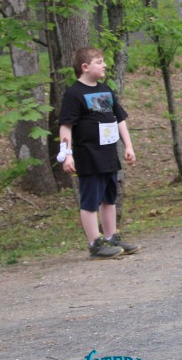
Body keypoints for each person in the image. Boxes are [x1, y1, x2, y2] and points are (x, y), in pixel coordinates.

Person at [58, 47, 139, 259]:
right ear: (85, 67)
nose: (105, 65)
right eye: (99, 62)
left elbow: (119, 119)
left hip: (109, 156)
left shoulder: (105, 90)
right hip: (88, 157)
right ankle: (95, 244)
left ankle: (112, 238)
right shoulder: (74, 94)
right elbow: (66, 126)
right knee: (90, 201)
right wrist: (67, 154)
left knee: (109, 199)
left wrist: (128, 146)